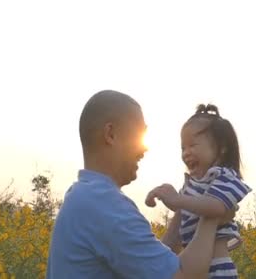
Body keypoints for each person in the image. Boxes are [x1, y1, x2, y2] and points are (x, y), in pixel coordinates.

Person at [47, 90, 228, 279]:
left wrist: (185, 204)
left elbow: (152, 266)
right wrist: (214, 208)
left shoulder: (82, 195)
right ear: (111, 134)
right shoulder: (105, 205)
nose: (145, 147)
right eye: (139, 134)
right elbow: (184, 276)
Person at [146, 104, 252, 278]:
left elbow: (217, 207)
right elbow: (187, 209)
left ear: (221, 147)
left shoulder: (223, 175)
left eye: (192, 145)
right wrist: (164, 196)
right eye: (183, 148)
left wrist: (178, 200)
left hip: (216, 268)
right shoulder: (193, 184)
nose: (186, 153)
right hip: (193, 263)